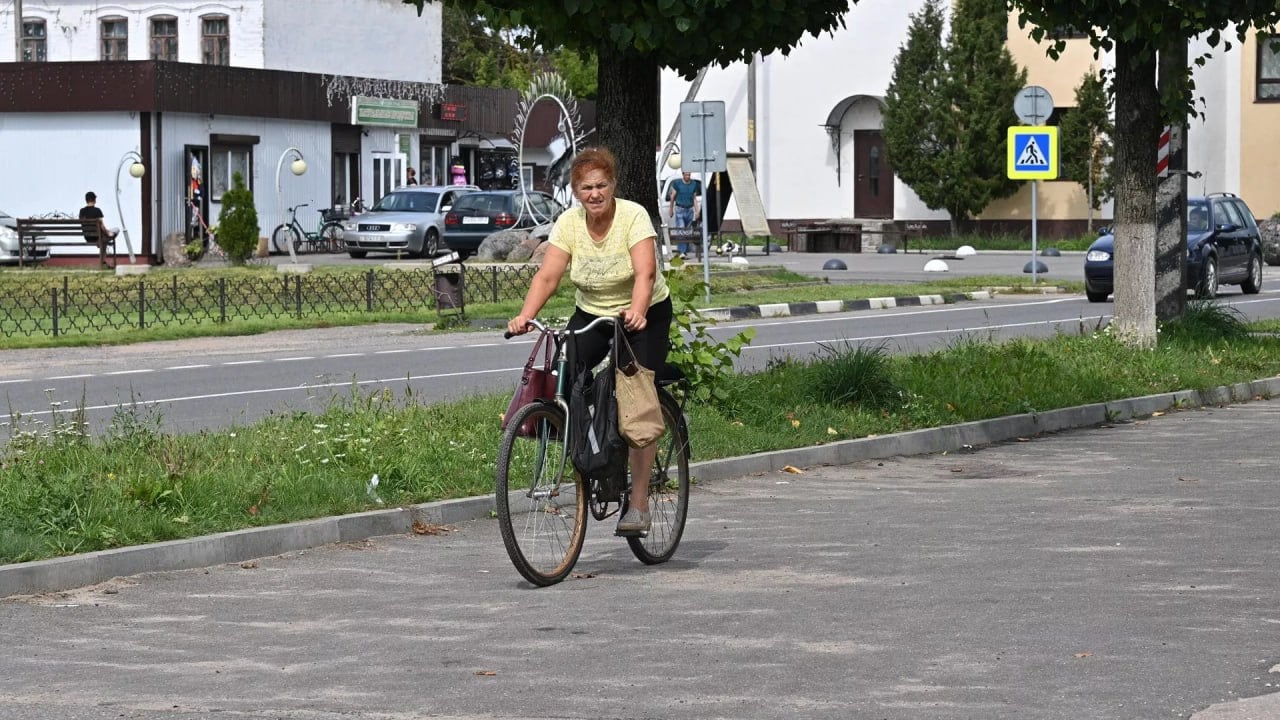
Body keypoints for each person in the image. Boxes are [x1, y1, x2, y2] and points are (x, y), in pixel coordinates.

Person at [507, 147, 672, 536]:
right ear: (576, 191)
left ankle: (639, 504)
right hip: (593, 312)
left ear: (613, 185)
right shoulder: (569, 223)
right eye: (586, 187)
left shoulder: (632, 216)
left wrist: (637, 310)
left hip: (641, 313)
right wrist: (525, 315)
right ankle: (595, 453)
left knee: (634, 398)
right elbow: (548, 277)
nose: (594, 193)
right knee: (564, 369)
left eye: (601, 185)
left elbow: (645, 274)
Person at [666, 171, 701, 256]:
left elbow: (694, 198)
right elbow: (672, 197)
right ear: (683, 175)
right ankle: (682, 251)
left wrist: (697, 211)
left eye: (689, 175)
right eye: (686, 175)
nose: (688, 176)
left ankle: (684, 250)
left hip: (689, 209)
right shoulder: (677, 184)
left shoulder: (693, 184)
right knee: (681, 229)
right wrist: (671, 209)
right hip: (680, 209)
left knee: (687, 231)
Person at [78, 191, 116, 269]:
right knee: (115, 231)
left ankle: (103, 261)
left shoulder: (82, 211)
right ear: (94, 200)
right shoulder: (97, 210)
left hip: (88, 237)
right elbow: (102, 226)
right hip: (98, 237)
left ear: (86, 200)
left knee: (104, 240)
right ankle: (102, 261)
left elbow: (82, 224)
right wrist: (108, 232)